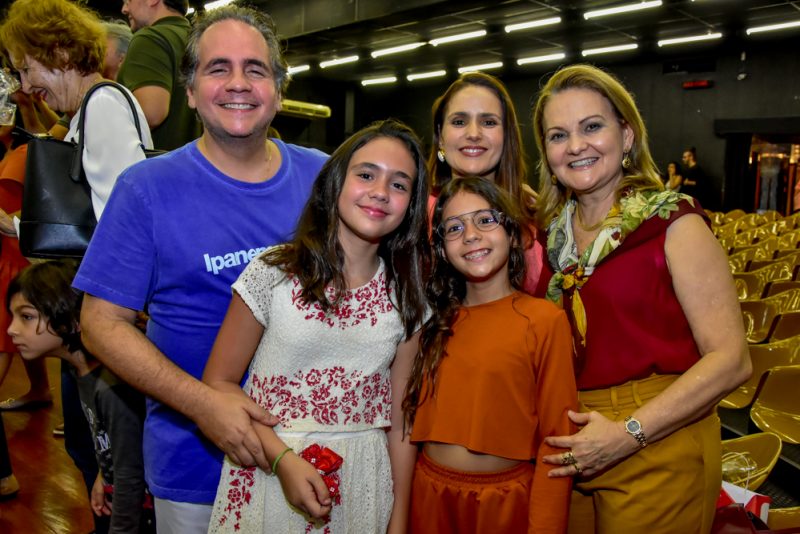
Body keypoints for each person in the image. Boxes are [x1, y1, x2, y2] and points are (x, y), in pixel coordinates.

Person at [75, 7, 328, 532]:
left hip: (318, 460)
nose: (239, 84)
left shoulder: (326, 178)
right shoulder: (146, 189)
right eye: (218, 69)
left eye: (256, 70)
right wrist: (202, 405)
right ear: (189, 90)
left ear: (278, 90)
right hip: (196, 471)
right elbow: (100, 324)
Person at [531, 64, 751, 533]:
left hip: (657, 439)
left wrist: (629, 433)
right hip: (572, 444)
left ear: (626, 135)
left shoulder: (674, 221)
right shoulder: (551, 239)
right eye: (558, 134)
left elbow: (731, 359)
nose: (576, 146)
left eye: (592, 127)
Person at [203, 118, 429, 533]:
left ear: (412, 205)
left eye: (400, 185)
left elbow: (401, 422)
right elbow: (219, 384)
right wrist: (281, 460)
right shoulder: (273, 272)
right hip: (269, 470)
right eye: (366, 175)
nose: (380, 192)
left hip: (363, 481)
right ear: (336, 182)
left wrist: (399, 520)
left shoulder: (409, 299)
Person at [403, 177, 576, 534]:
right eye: (454, 227)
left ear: (513, 234)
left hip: (505, 503)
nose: (470, 235)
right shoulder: (431, 323)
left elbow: (557, 443)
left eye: (485, 220)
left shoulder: (545, 321)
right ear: (441, 249)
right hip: (429, 498)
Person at [6, 260, 153, 533]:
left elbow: (132, 478)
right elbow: (115, 446)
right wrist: (102, 475)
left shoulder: (111, 388)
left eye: (26, 317)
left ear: (71, 320)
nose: (11, 329)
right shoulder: (83, 373)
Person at [0, 0, 153, 222]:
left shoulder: (102, 105)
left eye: (26, 69)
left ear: (60, 54)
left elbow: (126, 213)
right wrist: (17, 225)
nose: (25, 86)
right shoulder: (91, 107)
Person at [428, 72, 547, 296]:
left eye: (489, 122)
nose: (473, 134)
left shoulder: (538, 219)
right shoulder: (413, 218)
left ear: (506, 136)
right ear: (440, 137)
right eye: (459, 121)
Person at [0, 109, 52, 413]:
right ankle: (40, 388)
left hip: (14, 254)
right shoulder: (16, 152)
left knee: (6, 330)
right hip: (14, 253)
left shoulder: (21, 154)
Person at [119, 0, 201, 150]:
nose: (124, 9)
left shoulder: (149, 38)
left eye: (128, 1)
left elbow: (151, 114)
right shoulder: (199, 41)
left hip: (157, 167)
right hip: (200, 165)